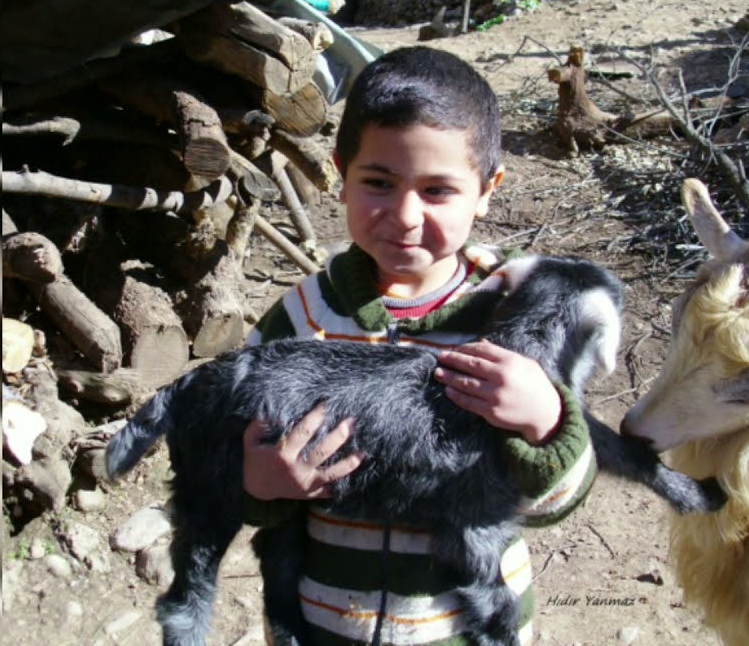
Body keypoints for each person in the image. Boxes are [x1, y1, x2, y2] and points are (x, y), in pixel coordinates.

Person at [240, 46, 598, 645]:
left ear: (487, 189)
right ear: (340, 175)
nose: (405, 216)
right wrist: (257, 481)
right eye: (379, 182)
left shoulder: (522, 320)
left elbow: (561, 498)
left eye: (437, 191)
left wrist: (547, 421)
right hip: (323, 625)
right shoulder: (302, 318)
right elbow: (231, 456)